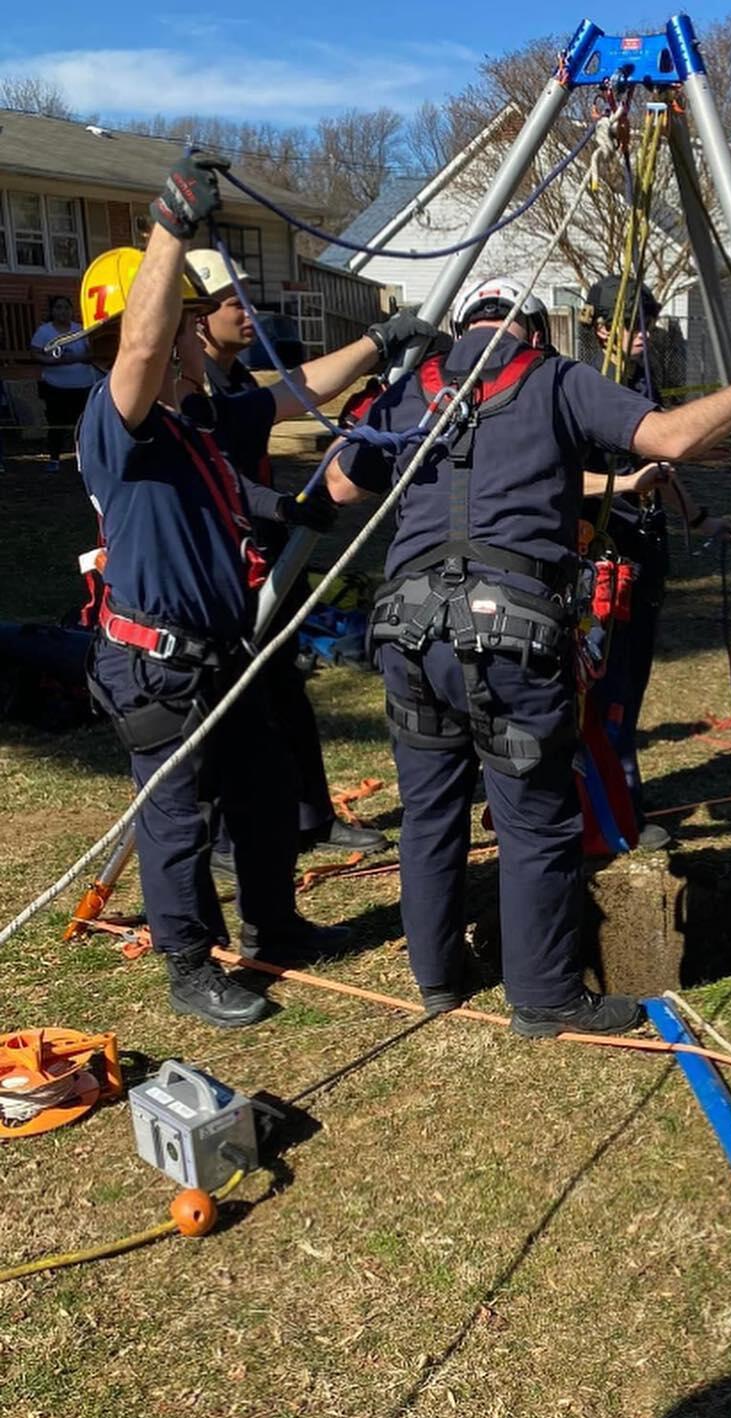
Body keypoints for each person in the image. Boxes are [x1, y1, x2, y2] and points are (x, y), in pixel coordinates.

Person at [325, 274, 731, 1030]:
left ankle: (439, 979)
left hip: (408, 638)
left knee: (429, 815)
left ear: (462, 326)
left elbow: (341, 488)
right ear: (537, 332)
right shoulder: (555, 377)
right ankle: (546, 996)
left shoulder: (413, 388)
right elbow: (674, 437)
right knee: (535, 822)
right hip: (508, 640)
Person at [77, 153, 443, 1028]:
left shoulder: (193, 421)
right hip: (154, 662)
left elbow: (294, 392)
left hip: (216, 649)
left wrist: (379, 347)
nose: (205, 337)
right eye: (189, 323)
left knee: (266, 792)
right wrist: (170, 224)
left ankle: (273, 926)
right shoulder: (118, 421)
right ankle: (189, 963)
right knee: (176, 819)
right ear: (163, 335)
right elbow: (136, 345)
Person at [186, 247, 386, 862]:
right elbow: (224, 467)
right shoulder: (189, 391)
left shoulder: (238, 377)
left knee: (285, 684)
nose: (249, 313)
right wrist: (280, 506)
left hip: (269, 553)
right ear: (196, 318)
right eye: (231, 304)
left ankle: (311, 815)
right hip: (221, 565)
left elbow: (286, 398)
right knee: (228, 697)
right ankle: (223, 833)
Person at [579, 273, 731, 849]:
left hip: (645, 558)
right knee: (607, 690)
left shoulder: (641, 386)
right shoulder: (585, 387)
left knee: (630, 686)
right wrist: (623, 483)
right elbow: (561, 477)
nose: (643, 330)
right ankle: (612, 810)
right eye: (631, 318)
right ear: (601, 328)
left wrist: (696, 518)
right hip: (604, 562)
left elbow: (662, 467)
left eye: (649, 317)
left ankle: (621, 799)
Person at [30, 295, 101, 472]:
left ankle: (86, 459)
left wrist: (75, 358)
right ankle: (54, 459)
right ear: (52, 311)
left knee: (85, 424)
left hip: (82, 385)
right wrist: (54, 361)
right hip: (55, 386)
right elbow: (36, 354)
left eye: (66, 308)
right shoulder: (44, 332)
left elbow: (92, 353)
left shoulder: (80, 330)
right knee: (56, 424)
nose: (63, 312)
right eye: (59, 308)